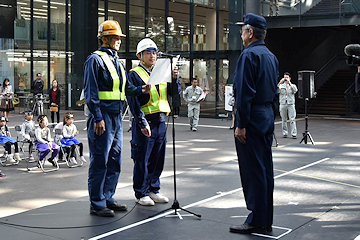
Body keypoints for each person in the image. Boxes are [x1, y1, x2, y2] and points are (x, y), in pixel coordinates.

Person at [84, 20, 151, 217]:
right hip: (102, 116)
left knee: (114, 160)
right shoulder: (95, 60)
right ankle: (97, 203)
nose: (119, 41)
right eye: (115, 37)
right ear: (104, 38)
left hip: (115, 117)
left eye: (119, 38)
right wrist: (97, 117)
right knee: (100, 161)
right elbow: (91, 92)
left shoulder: (117, 62)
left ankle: (108, 197)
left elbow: (124, 89)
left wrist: (140, 89)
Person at [230, 13, 279, 234]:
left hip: (252, 116)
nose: (241, 34)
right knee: (265, 168)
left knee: (252, 170)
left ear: (250, 32)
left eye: (243, 30)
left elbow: (244, 94)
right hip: (266, 113)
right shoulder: (270, 56)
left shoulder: (248, 56)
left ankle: (256, 219)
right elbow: (275, 91)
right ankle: (265, 217)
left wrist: (241, 123)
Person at [127, 38, 181, 206]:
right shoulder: (134, 74)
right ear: (140, 56)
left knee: (158, 157)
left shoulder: (162, 72)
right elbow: (133, 100)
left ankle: (153, 189)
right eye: (148, 52)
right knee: (142, 158)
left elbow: (174, 93)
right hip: (146, 120)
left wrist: (175, 78)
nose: (152, 55)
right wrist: (142, 122)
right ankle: (141, 192)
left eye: (154, 52)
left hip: (161, 120)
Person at [278, 72, 298, 138]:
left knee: (292, 119)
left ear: (289, 78)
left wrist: (289, 83)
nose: (285, 79)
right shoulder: (281, 86)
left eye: (287, 78)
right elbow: (276, 91)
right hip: (283, 103)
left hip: (290, 104)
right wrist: (279, 83)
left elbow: (295, 91)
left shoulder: (293, 85)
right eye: (284, 78)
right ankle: (285, 133)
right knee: (284, 119)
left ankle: (294, 133)